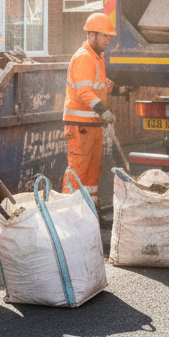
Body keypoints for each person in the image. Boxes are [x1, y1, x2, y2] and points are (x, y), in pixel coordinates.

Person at [63, 12, 118, 203]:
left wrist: (117, 90)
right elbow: (84, 92)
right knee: (79, 171)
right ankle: (71, 212)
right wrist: (104, 111)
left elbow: (99, 84)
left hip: (91, 125)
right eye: (104, 35)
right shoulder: (85, 58)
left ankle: (91, 211)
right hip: (81, 126)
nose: (108, 39)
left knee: (93, 171)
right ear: (91, 35)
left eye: (109, 36)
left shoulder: (96, 57)